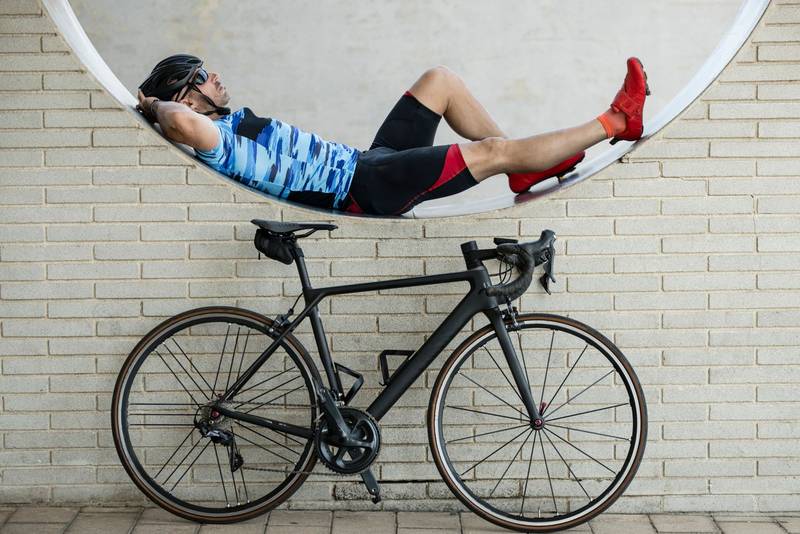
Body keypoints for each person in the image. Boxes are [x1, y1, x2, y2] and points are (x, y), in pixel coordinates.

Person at [137, 55, 648, 215]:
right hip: (361, 189)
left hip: (367, 162)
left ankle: (525, 167)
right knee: (491, 152)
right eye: (203, 76)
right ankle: (616, 122)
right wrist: (154, 105)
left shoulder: (225, 122)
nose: (216, 77)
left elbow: (185, 114)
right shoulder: (213, 139)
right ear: (185, 98)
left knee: (440, 81)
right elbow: (179, 123)